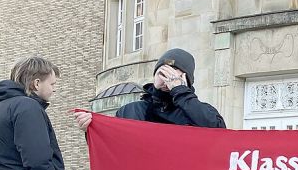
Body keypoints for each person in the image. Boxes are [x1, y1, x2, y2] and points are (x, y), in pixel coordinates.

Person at [74, 48, 225, 130]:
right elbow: (111, 146)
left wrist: (180, 91)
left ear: (186, 79)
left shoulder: (198, 112)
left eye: (173, 74)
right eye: (162, 72)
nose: (166, 79)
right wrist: (92, 129)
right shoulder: (130, 111)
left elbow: (217, 133)